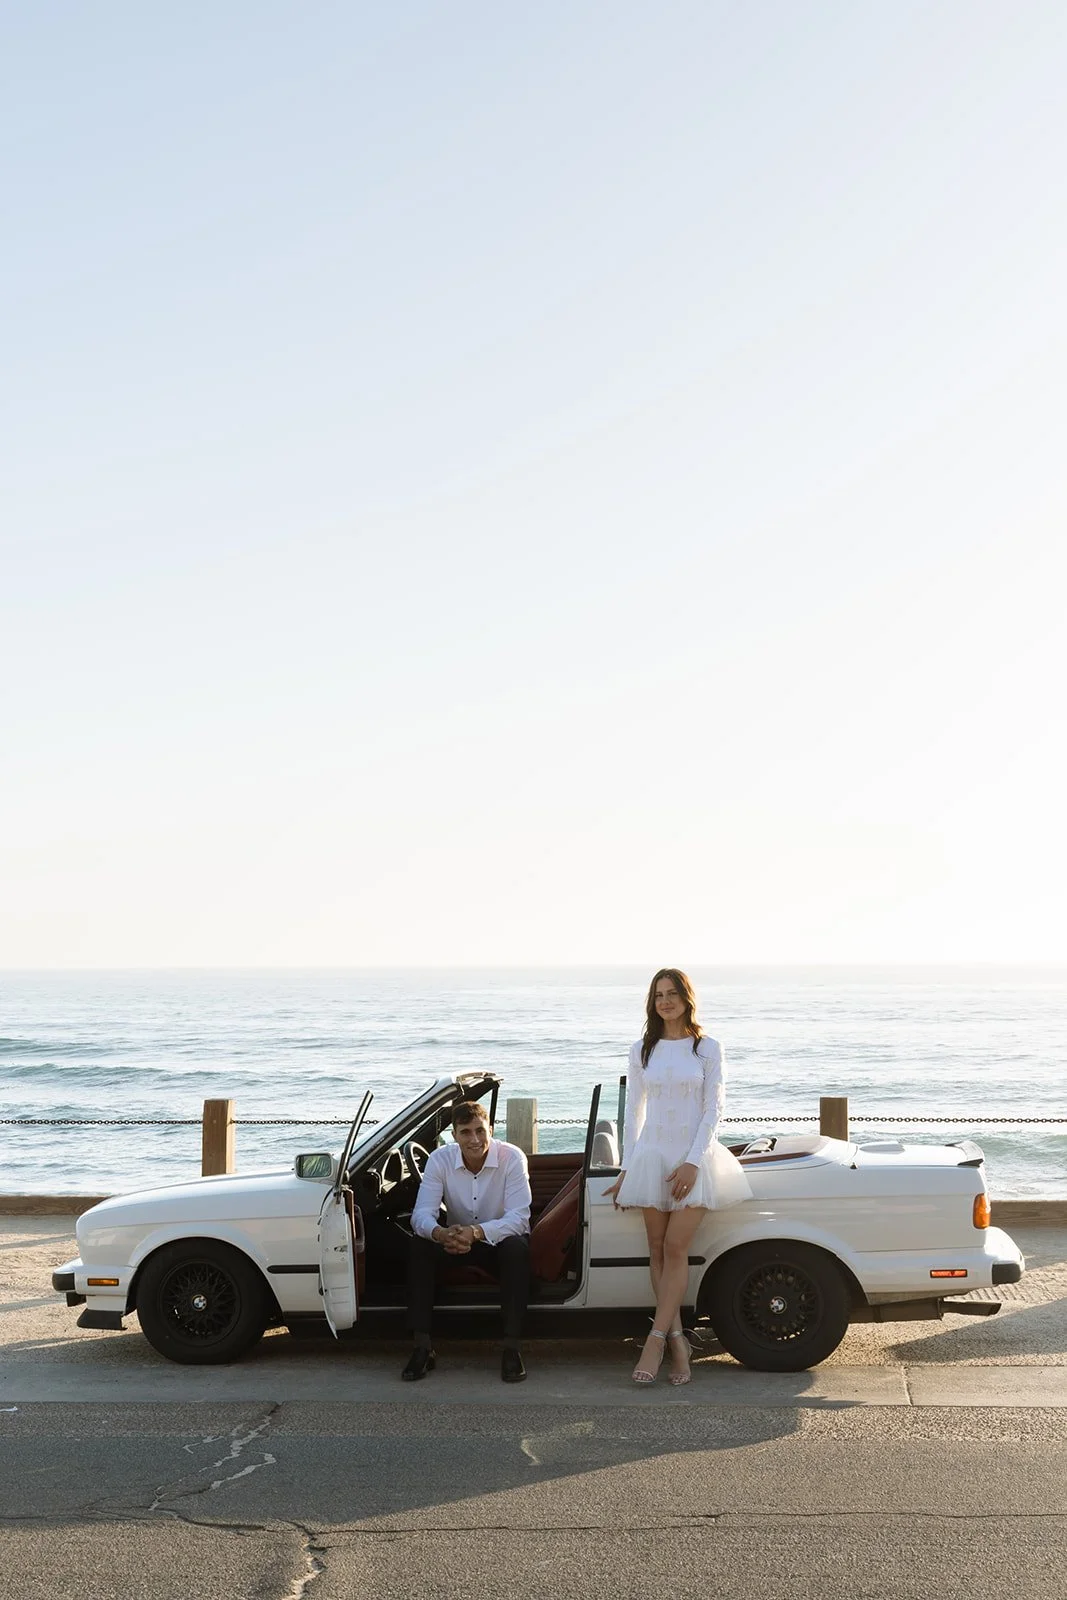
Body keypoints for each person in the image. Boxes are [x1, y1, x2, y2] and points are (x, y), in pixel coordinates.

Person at [604, 969, 752, 1385]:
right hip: (651, 1155)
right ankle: (677, 1343)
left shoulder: (707, 1048)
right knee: (656, 1248)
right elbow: (634, 1112)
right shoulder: (642, 1050)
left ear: (687, 997)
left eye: (671, 994)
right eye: (657, 995)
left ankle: (653, 1341)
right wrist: (629, 1168)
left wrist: (692, 1162)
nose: (664, 1001)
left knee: (674, 1246)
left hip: (693, 1157)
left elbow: (713, 1110)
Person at [402, 1099, 532, 1383]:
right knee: (419, 1245)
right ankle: (422, 1346)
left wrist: (476, 1233)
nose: (475, 1139)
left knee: (517, 1247)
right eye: (466, 1132)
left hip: (495, 1243)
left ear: (491, 1130)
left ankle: (512, 1348)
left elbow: (520, 1218)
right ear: (454, 1135)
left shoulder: (512, 1158)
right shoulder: (439, 1159)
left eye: (480, 1131)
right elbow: (422, 1213)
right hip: (453, 1241)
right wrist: (440, 1233)